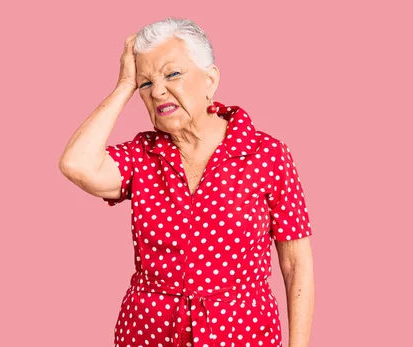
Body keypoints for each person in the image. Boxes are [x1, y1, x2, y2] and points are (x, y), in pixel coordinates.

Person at [58, 17, 314, 347]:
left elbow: (297, 265)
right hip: (147, 333)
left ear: (210, 79)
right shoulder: (141, 155)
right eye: (145, 83)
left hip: (241, 333)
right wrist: (124, 86)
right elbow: (75, 163)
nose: (158, 90)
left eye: (172, 73)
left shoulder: (266, 155)